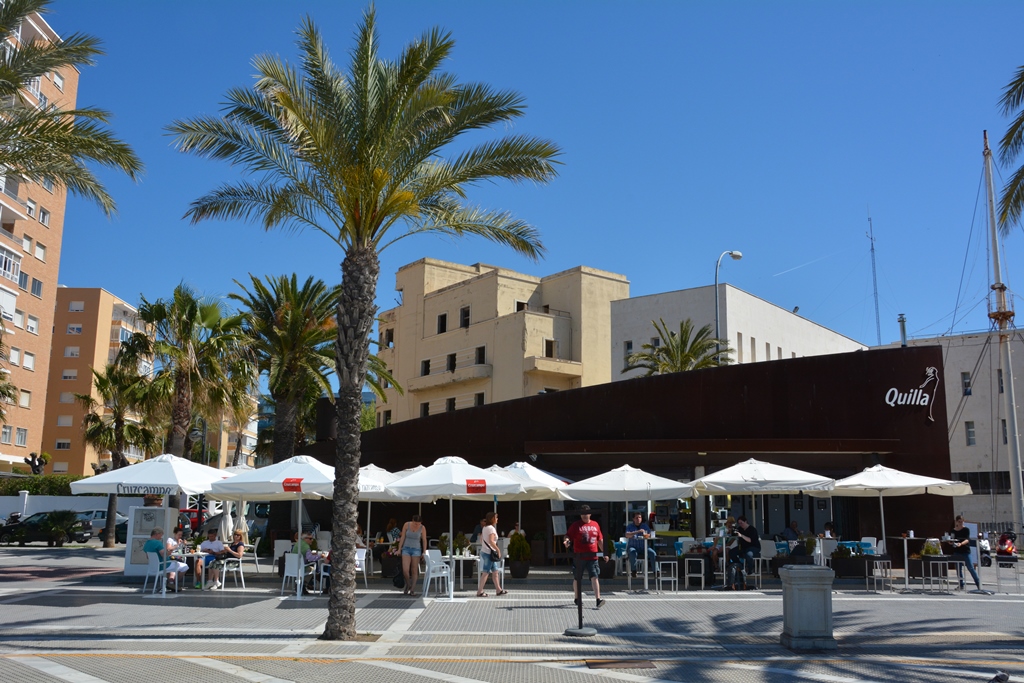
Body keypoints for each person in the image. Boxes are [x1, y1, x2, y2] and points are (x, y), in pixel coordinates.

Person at [563, 505, 605, 608]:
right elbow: (568, 535)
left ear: (590, 513)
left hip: (593, 556)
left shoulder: (595, 524)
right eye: (582, 513)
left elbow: (600, 540)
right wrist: (566, 541)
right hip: (579, 556)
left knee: (594, 577)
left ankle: (598, 599)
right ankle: (577, 598)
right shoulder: (576, 525)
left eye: (586, 513)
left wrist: (605, 552)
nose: (584, 515)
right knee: (577, 577)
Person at [476, 511, 507, 597]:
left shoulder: (485, 528)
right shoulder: (491, 528)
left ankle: (498, 589)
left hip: (485, 551)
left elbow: (482, 538)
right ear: (492, 519)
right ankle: (480, 591)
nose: (497, 519)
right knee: (486, 572)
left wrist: (485, 547)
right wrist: (498, 550)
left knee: (495, 571)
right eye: (496, 517)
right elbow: (491, 541)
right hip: (489, 553)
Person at [951, 515, 982, 591]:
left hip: (965, 551)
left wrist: (961, 544)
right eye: (959, 522)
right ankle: (961, 585)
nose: (961, 523)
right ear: (956, 522)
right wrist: (950, 542)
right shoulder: (953, 531)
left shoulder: (966, 530)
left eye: (962, 522)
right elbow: (952, 539)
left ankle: (978, 584)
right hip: (957, 551)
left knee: (970, 568)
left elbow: (967, 539)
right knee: (958, 569)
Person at [398, 514, 426, 597]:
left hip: (416, 549)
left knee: (414, 569)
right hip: (406, 548)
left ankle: (412, 589)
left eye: (418, 524)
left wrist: (424, 551)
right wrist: (399, 548)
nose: (417, 525)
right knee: (405, 569)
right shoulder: (407, 524)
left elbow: (424, 540)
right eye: (415, 523)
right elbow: (403, 536)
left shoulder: (422, 528)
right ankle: (408, 584)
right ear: (412, 521)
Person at [729, 515, 760, 590]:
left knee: (748, 555)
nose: (741, 525)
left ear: (746, 521)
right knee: (731, 552)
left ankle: (750, 569)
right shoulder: (739, 529)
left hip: (753, 546)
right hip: (743, 547)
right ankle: (740, 566)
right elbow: (734, 536)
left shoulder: (752, 529)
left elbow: (750, 540)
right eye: (739, 523)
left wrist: (741, 535)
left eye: (742, 523)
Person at [625, 512, 657, 578]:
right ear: (633, 519)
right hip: (633, 546)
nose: (638, 519)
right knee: (632, 552)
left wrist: (648, 535)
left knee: (653, 553)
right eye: (636, 518)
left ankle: (656, 571)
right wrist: (637, 532)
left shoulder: (645, 526)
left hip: (644, 547)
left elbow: (649, 534)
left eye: (640, 517)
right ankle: (634, 571)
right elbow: (627, 535)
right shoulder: (630, 526)